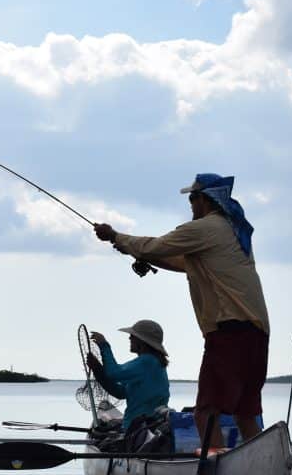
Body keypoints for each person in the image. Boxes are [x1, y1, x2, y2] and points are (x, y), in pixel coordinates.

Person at [93, 173, 270, 449]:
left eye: (192, 198)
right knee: (245, 412)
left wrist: (115, 236)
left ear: (205, 199)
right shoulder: (231, 233)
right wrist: (138, 253)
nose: (190, 203)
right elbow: (177, 260)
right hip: (257, 333)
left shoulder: (205, 227)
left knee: (206, 411)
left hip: (228, 331)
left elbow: (158, 246)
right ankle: (261, 466)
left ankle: (213, 471)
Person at [86, 319, 170, 432]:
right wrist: (98, 370)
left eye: (132, 336)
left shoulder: (147, 361)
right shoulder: (153, 363)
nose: (129, 338)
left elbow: (113, 373)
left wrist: (104, 345)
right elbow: (120, 392)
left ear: (142, 341)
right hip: (149, 427)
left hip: (138, 430)